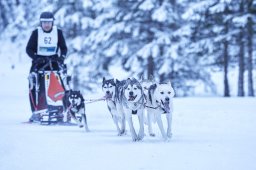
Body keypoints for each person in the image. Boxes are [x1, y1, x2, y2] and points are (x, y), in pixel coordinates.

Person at [26, 11, 68, 122]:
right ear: (41, 23)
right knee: (34, 86)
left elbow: (64, 48)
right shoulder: (36, 33)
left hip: (53, 62)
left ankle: (64, 110)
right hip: (39, 63)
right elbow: (28, 49)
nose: (46, 25)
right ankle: (37, 112)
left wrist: (61, 58)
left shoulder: (58, 32)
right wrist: (35, 58)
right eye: (44, 22)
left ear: (52, 22)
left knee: (62, 85)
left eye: (49, 22)